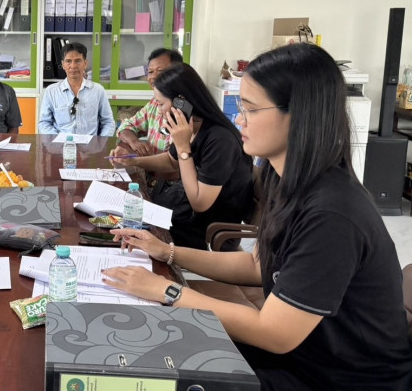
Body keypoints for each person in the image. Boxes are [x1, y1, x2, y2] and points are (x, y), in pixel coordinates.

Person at [102, 44, 412, 390]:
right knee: (147, 351)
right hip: (300, 357)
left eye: (250, 109)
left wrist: (168, 290)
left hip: (336, 378)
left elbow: (275, 333)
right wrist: (168, 252)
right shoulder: (287, 180)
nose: (239, 119)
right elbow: (256, 265)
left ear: (299, 114)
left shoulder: (333, 213)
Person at [111, 63, 253, 250]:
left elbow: (200, 203)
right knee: (118, 220)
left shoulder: (220, 140)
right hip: (183, 218)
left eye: (161, 104)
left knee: (126, 232)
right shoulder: (194, 127)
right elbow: (171, 161)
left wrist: (183, 147)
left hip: (205, 234)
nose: (159, 111)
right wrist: (133, 161)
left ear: (181, 103)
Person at [112, 48, 184, 157]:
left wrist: (136, 161)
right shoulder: (154, 103)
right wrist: (134, 142)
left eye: (161, 71)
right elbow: (126, 126)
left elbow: (173, 162)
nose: (154, 76)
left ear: (177, 73)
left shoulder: (184, 110)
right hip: (149, 166)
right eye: (150, 72)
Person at [38, 42, 114, 136]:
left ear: (85, 63)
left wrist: (101, 142)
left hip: (90, 144)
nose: (73, 66)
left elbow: (108, 122)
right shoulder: (51, 91)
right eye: (68, 61)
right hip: (60, 143)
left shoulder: (98, 90)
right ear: (63, 64)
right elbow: (44, 123)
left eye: (78, 61)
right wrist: (57, 141)